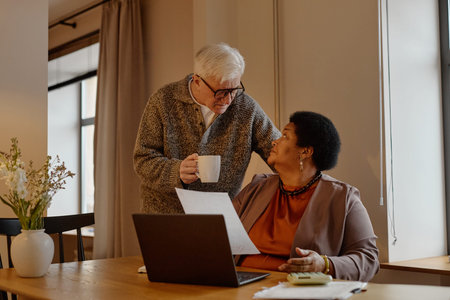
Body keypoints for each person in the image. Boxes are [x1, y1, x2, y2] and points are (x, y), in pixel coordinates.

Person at [134, 43, 280, 214]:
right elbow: (143, 160)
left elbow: (279, 151)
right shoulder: (163, 101)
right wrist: (176, 171)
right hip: (164, 216)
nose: (228, 100)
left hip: (221, 215)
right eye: (220, 92)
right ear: (197, 81)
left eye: (234, 90)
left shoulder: (245, 107)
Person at [233, 111, 379, 282]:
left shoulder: (343, 197)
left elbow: (369, 259)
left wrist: (324, 264)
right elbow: (220, 236)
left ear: (305, 151)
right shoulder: (256, 187)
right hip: (240, 287)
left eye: (285, 136)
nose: (274, 141)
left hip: (296, 290)